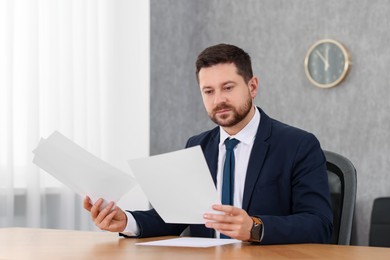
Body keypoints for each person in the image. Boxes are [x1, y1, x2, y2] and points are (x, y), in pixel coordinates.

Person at [84, 43, 333, 244]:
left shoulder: (298, 145)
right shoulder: (198, 145)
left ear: (252, 86)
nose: (219, 100)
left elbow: (319, 225)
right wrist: (126, 221)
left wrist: (255, 227)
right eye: (209, 91)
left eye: (227, 87)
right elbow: (174, 216)